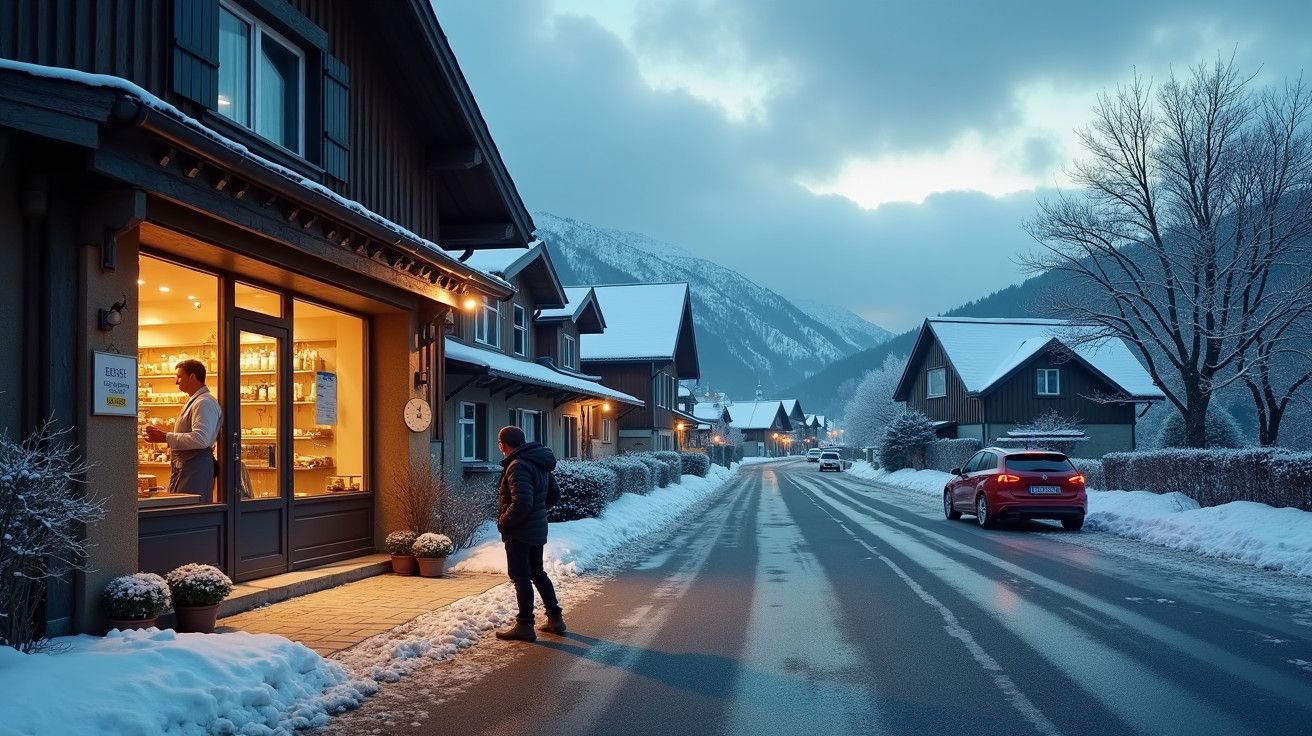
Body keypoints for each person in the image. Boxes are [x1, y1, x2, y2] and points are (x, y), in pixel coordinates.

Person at [494, 425, 565, 642]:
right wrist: (538, 511)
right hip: (536, 528)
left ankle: (525, 625)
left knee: (521, 577)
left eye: (499, 443)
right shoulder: (538, 461)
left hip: (520, 532)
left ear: (503, 445)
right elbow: (554, 495)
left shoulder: (517, 465)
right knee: (537, 573)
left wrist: (503, 523)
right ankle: (555, 619)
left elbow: (521, 503)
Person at [143, 359, 222, 502]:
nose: (176, 381)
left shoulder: (203, 402)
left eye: (179, 376)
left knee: (190, 511)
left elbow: (201, 438)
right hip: (188, 467)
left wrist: (165, 437)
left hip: (195, 468)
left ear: (192, 377)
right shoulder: (196, 400)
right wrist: (162, 435)